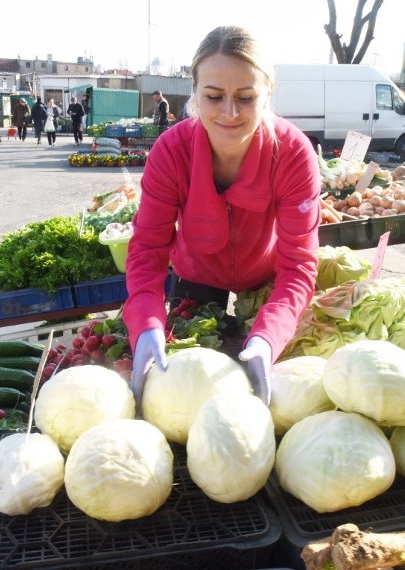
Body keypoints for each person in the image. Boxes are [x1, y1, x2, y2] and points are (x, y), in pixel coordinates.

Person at [123, 25, 321, 409]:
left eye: (246, 98)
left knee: (260, 385)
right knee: (188, 397)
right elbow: (147, 248)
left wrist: (269, 336)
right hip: (195, 277)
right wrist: (146, 322)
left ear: (267, 94)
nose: (230, 113)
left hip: (266, 285)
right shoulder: (171, 152)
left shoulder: (294, 153)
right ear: (195, 92)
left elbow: (299, 264)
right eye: (214, 96)